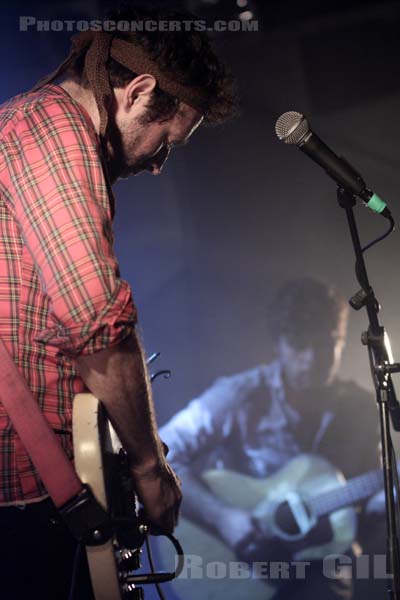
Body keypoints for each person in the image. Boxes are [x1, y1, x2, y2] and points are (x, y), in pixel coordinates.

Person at [0, 6, 238, 599]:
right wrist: (150, 472)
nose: (160, 164)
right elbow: (97, 323)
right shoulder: (50, 127)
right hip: (24, 505)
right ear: (138, 91)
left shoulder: (45, 133)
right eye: (167, 140)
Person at [160, 278, 386, 600]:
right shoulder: (239, 395)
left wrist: (384, 499)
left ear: (341, 341)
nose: (311, 359)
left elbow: (374, 490)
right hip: (239, 564)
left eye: (324, 344)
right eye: (298, 344)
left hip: (323, 566)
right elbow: (160, 453)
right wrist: (224, 519)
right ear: (277, 343)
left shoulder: (362, 408)